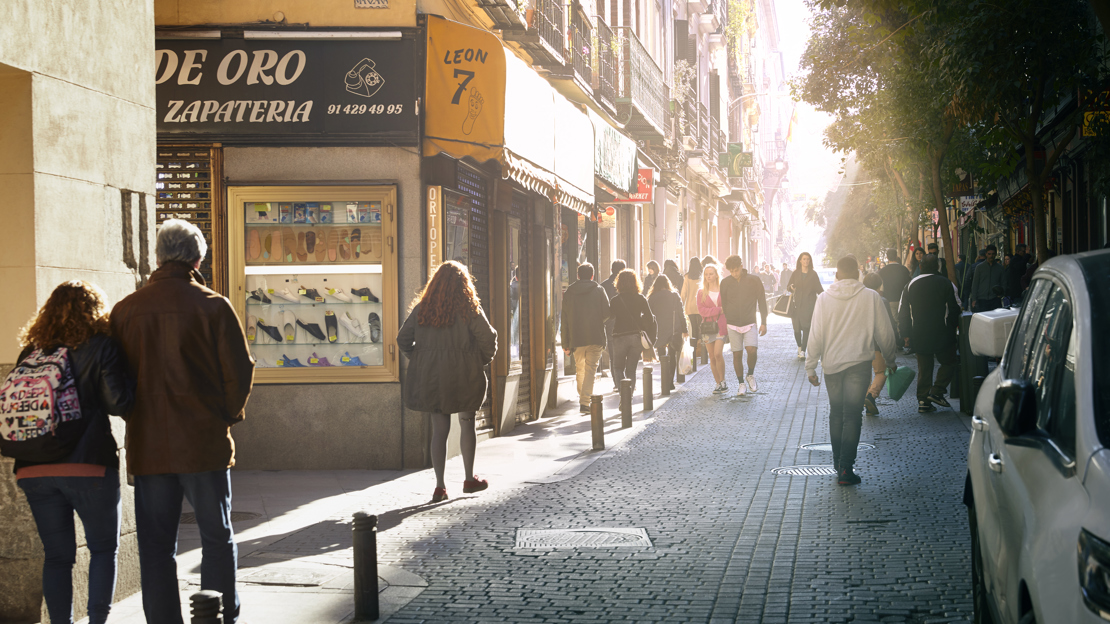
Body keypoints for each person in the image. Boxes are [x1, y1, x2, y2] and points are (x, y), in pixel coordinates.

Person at [110, 219, 254, 624]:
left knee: (156, 546)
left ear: (158, 257)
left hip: (149, 443)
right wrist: (225, 415)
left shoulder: (125, 310)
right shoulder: (213, 305)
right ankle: (220, 614)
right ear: (197, 257)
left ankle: (162, 620)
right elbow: (239, 371)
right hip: (203, 442)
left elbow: (114, 380)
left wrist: (137, 416)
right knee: (217, 537)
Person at [6, 281, 134, 624]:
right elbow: (117, 402)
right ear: (95, 312)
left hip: (33, 467)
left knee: (57, 557)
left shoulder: (31, 351)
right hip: (88, 465)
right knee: (103, 549)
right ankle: (96, 621)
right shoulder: (101, 345)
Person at [397, 260, 497, 501]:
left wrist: (421, 359)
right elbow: (489, 338)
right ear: (464, 284)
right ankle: (469, 478)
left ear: (435, 284)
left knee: (439, 429)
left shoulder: (424, 308)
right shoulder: (469, 308)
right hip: (465, 375)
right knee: (467, 423)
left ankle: (440, 486)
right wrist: (477, 360)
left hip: (432, 377)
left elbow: (403, 339)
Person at [806, 256, 898, 486]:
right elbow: (885, 333)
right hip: (858, 364)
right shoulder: (871, 297)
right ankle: (846, 468)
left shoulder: (824, 299)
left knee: (836, 413)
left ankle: (839, 464)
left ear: (837, 275)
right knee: (852, 415)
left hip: (832, 365)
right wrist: (891, 359)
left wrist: (811, 366)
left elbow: (815, 334)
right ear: (858, 274)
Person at [898, 254, 961, 413]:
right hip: (943, 331)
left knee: (924, 368)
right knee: (949, 362)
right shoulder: (946, 283)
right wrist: (952, 327)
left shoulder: (910, 285)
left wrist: (905, 334)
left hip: (919, 332)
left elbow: (903, 312)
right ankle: (937, 390)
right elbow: (955, 307)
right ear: (938, 267)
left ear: (921, 266)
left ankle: (923, 401)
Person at [560, 262, 611, 413]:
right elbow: (607, 313)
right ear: (592, 275)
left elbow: (565, 318)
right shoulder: (599, 290)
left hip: (576, 337)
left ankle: (583, 399)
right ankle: (584, 401)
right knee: (590, 370)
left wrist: (565, 342)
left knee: (580, 369)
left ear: (577, 275)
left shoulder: (569, 292)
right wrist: (597, 320)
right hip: (595, 336)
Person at [720, 255, 768, 397]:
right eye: (731, 271)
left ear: (742, 266)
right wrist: (727, 320)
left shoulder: (754, 280)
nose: (734, 273)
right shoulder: (725, 282)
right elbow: (724, 303)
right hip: (733, 323)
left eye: (736, 270)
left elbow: (762, 301)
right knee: (737, 353)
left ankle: (750, 375)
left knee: (752, 350)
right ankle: (741, 383)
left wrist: (764, 322)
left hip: (750, 321)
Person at [609, 269, 656, 394]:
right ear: (636, 282)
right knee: (631, 370)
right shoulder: (640, 298)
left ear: (618, 283)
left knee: (618, 367)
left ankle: (622, 395)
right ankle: (628, 398)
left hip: (619, 337)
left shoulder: (615, 300)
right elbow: (650, 318)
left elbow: (609, 317)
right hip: (636, 337)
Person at [861, 273, 897, 415]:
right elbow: (888, 325)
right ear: (879, 285)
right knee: (881, 372)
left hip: (863, 343)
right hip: (877, 344)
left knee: (865, 375)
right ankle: (871, 396)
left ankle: (867, 400)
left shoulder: (858, 300)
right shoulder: (882, 300)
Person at [647, 274, 687, 394]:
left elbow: (648, 316)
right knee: (672, 355)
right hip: (674, 330)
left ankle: (665, 381)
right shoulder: (674, 295)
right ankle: (669, 381)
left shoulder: (652, 297)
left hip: (659, 332)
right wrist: (685, 329)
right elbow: (681, 313)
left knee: (662, 357)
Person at [696, 263, 729, 394]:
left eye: (711, 274)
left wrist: (716, 311)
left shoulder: (723, 289)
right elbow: (702, 311)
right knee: (712, 356)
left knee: (718, 354)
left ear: (716, 275)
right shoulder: (701, 292)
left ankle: (723, 380)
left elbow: (727, 307)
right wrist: (719, 310)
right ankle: (718, 383)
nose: (708, 276)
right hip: (707, 328)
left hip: (721, 326)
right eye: (706, 274)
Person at [787, 252, 823, 359]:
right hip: (796, 305)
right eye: (804, 259)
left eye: (808, 259)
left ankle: (803, 350)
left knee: (806, 328)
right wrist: (791, 288)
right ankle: (799, 346)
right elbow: (788, 286)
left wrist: (827, 297)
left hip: (809, 305)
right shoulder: (795, 273)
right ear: (800, 261)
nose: (806, 261)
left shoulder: (813, 274)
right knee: (797, 329)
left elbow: (819, 289)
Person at [599, 259, 626, 381]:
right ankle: (625, 379)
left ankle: (617, 380)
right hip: (625, 323)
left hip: (610, 322)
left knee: (613, 353)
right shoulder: (630, 284)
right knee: (625, 352)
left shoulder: (604, 285)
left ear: (611, 270)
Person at [878, 250, 911, 332]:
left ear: (887, 258)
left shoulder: (882, 271)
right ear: (896, 257)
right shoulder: (904, 269)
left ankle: (897, 339)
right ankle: (905, 337)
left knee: (894, 321)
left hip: (889, 299)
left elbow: (880, 288)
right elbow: (908, 284)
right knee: (903, 319)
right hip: (903, 299)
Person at [679, 257, 703, 358]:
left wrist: (681, 304)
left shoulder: (687, 277)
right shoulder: (702, 276)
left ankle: (695, 348)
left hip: (690, 306)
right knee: (700, 326)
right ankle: (700, 345)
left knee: (693, 327)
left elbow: (683, 293)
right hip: (701, 305)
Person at [970, 244, 1006, 312]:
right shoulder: (979, 267)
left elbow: (1004, 282)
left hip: (995, 299)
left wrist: (1001, 294)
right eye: (989, 254)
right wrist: (973, 299)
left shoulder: (1000, 268)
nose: (991, 256)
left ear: (995, 254)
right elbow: (975, 284)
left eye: (993, 254)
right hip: (982, 299)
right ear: (986, 254)